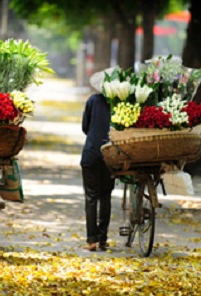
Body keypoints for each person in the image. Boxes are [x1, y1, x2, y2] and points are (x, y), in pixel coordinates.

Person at [80, 69, 116, 251]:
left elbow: (85, 127)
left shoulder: (93, 101)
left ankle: (91, 241)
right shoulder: (119, 104)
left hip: (92, 153)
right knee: (105, 196)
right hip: (112, 156)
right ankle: (103, 239)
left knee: (91, 197)